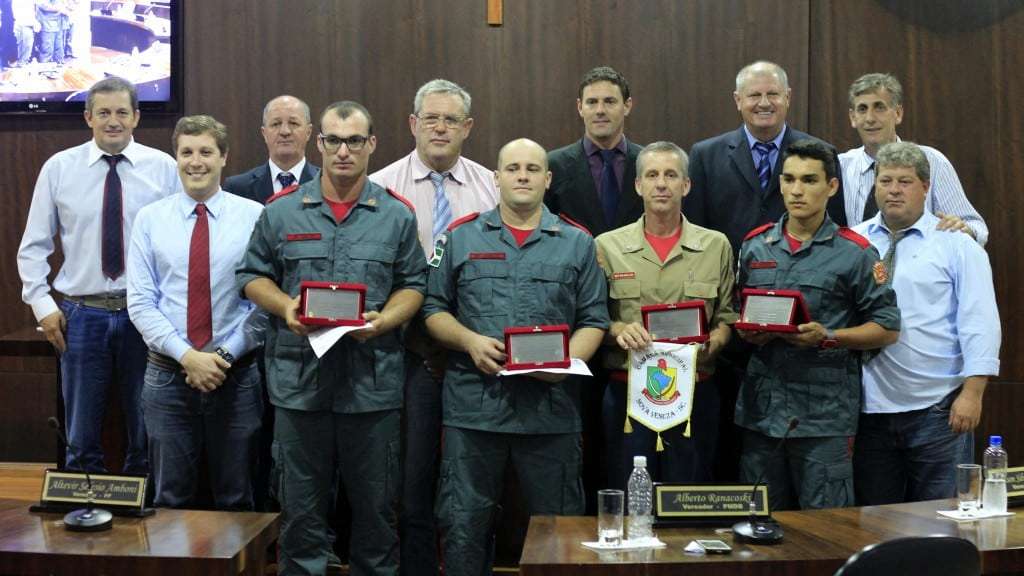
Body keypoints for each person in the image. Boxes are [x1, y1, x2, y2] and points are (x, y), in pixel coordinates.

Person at [237, 100, 426, 576]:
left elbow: (415, 284)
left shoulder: (396, 214)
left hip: (373, 384)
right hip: (300, 383)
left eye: (355, 141)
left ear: (372, 145)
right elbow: (252, 275)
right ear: (318, 143)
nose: (344, 151)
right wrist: (285, 307)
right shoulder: (281, 213)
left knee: (377, 511)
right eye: (334, 140)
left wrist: (385, 320)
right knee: (301, 513)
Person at [424, 138, 609, 576]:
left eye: (531, 169)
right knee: (464, 524)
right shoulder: (460, 236)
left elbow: (594, 319)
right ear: (497, 178)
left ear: (547, 179)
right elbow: (433, 311)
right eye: (512, 168)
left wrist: (565, 366)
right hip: (475, 410)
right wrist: (469, 341)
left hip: (551, 413)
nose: (522, 176)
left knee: (560, 527)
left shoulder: (577, 243)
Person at [17, 76, 179, 474]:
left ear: (136, 117)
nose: (113, 121)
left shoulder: (164, 169)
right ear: (88, 117)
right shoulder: (59, 168)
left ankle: (146, 525)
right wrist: (42, 306)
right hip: (79, 316)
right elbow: (34, 245)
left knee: (146, 430)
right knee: (82, 433)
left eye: (122, 112)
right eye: (103, 112)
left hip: (144, 315)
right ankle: (82, 521)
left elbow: (179, 243)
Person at [369, 78, 498, 576]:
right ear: (412, 124)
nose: (440, 128)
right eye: (431, 118)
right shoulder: (381, 188)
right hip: (408, 355)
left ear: (467, 127)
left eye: (451, 120)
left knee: (473, 482)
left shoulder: (493, 186)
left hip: (478, 352)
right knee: (412, 479)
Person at [735, 139, 900, 511]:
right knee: (758, 523)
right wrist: (746, 331)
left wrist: (829, 335)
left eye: (809, 180)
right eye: (789, 179)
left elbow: (888, 327)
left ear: (831, 187)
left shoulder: (856, 253)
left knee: (828, 528)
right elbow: (736, 309)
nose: (796, 190)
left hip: (824, 416)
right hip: (762, 414)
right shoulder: (755, 246)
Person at [127, 115, 265, 509]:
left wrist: (222, 357)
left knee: (238, 497)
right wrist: (189, 357)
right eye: (186, 152)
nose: (195, 161)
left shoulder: (254, 217)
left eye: (206, 151)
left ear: (224, 157)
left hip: (235, 376)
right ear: (176, 157)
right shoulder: (151, 220)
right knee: (169, 497)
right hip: (168, 376)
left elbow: (264, 303)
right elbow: (140, 301)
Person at [852, 142, 1000, 504]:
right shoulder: (853, 242)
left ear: (926, 187)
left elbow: (980, 320)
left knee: (941, 522)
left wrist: (973, 393)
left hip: (939, 409)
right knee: (874, 524)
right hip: (869, 409)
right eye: (886, 181)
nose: (894, 189)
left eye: (905, 181)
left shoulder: (957, 244)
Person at [595, 141, 737, 489]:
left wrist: (716, 341)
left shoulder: (715, 245)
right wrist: (618, 330)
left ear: (686, 185)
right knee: (630, 497)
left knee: (688, 498)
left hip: (694, 393)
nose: (661, 184)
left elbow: (727, 316)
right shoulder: (606, 246)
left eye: (671, 175)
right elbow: (593, 317)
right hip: (628, 393)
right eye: (652, 175)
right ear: (638, 185)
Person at [685, 61, 847, 254]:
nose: (764, 103)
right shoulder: (705, 155)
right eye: (754, 95)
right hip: (727, 275)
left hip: (802, 274)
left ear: (787, 97)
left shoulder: (822, 153)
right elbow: (695, 229)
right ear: (738, 100)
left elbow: (835, 225)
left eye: (772, 94)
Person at [839, 73, 988, 244]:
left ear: (898, 113)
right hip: (858, 268)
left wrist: (966, 230)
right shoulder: (840, 167)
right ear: (853, 117)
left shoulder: (933, 162)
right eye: (862, 109)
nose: (870, 118)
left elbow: (976, 227)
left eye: (879, 107)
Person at [546, 66, 644, 237]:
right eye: (592, 102)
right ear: (580, 107)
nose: (600, 110)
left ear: (627, 106)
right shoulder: (553, 166)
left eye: (609, 101)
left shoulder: (648, 164)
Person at [223, 95, 319, 205]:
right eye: (276, 124)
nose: (285, 131)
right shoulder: (237, 189)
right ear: (264, 133)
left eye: (293, 123)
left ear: (308, 132)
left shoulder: (326, 184)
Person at [36, 0, 64, 65]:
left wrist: (60, 9)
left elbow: (64, 7)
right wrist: (59, 10)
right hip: (47, 27)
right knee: (47, 51)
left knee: (59, 49)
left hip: (58, 26)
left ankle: (59, 67)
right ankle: (45, 70)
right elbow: (45, 7)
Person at [12, 0, 39, 68]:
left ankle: (22, 64)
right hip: (24, 25)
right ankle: (22, 65)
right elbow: (24, 14)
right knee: (24, 49)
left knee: (25, 49)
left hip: (23, 24)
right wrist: (35, 23)